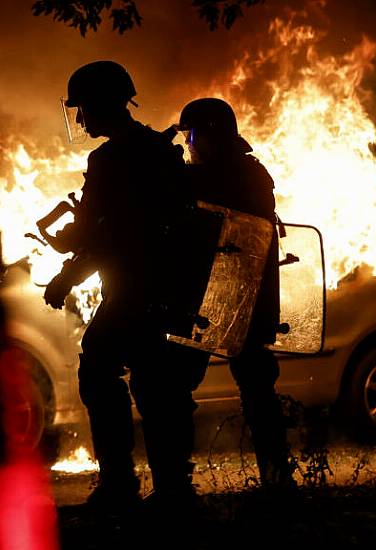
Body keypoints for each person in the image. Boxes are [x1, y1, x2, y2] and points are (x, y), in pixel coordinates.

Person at [43, 60, 202, 512]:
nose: (80, 118)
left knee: (99, 372)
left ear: (103, 104)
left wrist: (65, 274)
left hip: (135, 291)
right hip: (167, 291)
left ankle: (120, 483)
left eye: (84, 108)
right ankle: (173, 490)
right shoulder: (159, 150)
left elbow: (104, 237)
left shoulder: (110, 159)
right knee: (158, 389)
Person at [177, 97, 296, 490]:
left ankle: (178, 486)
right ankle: (277, 480)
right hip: (235, 298)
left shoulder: (228, 177)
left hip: (228, 298)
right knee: (256, 390)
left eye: (192, 135)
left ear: (211, 135)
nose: (190, 144)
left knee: (177, 388)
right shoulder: (251, 172)